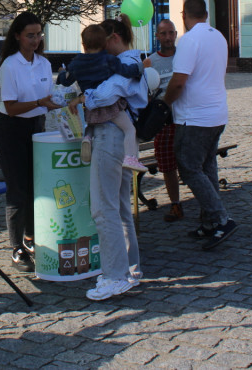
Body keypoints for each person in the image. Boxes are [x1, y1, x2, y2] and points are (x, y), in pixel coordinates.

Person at [163, 0, 238, 250]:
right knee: (207, 167)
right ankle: (209, 223)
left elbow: (179, 80)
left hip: (194, 117)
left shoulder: (189, 40)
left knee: (189, 168)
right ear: (206, 14)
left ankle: (220, 218)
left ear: (184, 15)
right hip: (216, 113)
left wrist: (165, 103)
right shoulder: (218, 36)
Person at [77, 18, 144, 301]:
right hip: (114, 134)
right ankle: (130, 270)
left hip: (109, 134)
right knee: (117, 206)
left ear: (112, 38)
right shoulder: (124, 60)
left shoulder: (124, 62)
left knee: (103, 209)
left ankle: (115, 276)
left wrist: (82, 96)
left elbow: (103, 97)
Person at [0, 12, 59, 273]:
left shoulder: (43, 63)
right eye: (30, 35)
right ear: (17, 36)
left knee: (36, 187)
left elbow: (47, 98)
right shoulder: (9, 66)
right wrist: (40, 103)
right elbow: (11, 107)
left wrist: (64, 102)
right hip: (10, 129)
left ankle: (31, 238)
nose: (36, 40)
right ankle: (16, 247)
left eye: (39, 34)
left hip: (36, 128)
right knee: (18, 190)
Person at [57, 24, 146, 172]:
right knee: (130, 129)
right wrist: (141, 68)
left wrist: (60, 74)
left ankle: (87, 138)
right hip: (110, 108)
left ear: (84, 45)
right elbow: (126, 71)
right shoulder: (109, 59)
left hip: (90, 107)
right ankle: (130, 158)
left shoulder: (77, 63)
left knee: (92, 124)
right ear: (104, 43)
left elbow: (66, 80)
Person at [142, 19, 186, 222]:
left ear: (176, 34)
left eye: (171, 33)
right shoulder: (151, 62)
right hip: (164, 122)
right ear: (157, 36)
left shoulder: (185, 57)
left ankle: (205, 204)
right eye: (163, 34)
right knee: (168, 167)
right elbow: (145, 94)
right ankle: (175, 204)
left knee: (192, 164)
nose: (168, 37)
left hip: (187, 119)